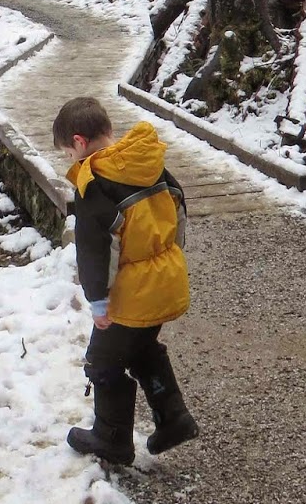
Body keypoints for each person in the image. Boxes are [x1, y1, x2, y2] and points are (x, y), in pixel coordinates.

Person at [52, 95, 199, 465]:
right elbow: (178, 207)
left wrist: (98, 300)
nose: (72, 161)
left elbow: (95, 250)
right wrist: (170, 257)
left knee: (102, 361)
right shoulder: (149, 162)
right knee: (141, 348)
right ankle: (174, 419)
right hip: (166, 280)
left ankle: (111, 438)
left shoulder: (96, 184)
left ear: (79, 142)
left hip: (132, 295)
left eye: (68, 153)